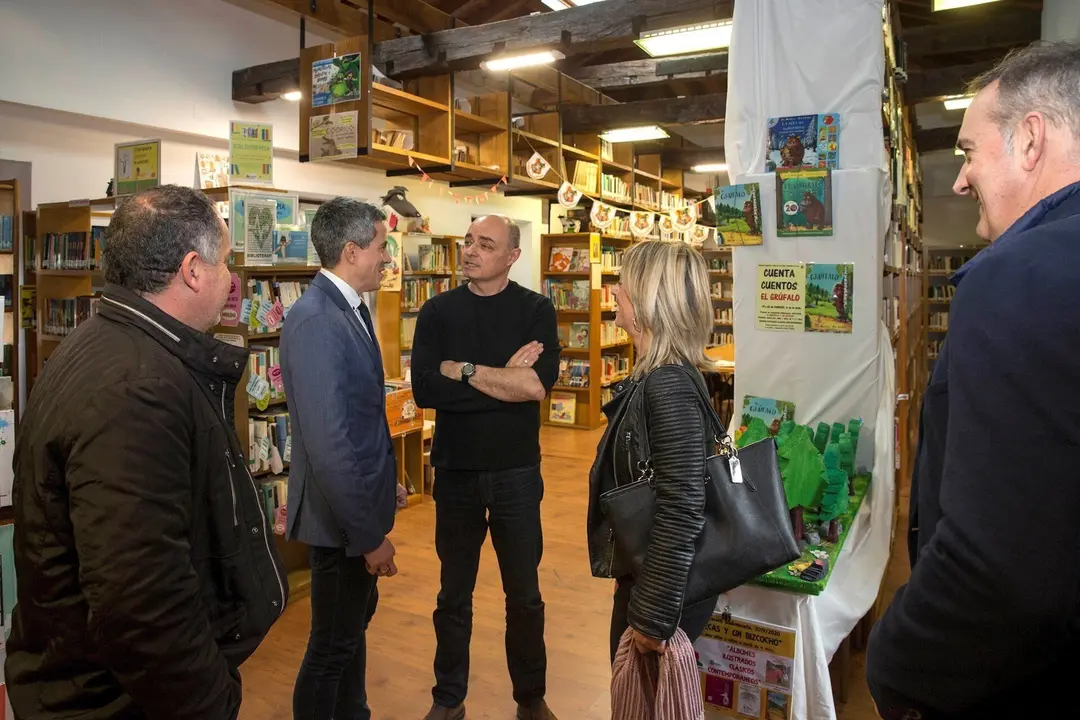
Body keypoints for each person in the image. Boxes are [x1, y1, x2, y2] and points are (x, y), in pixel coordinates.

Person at [5, 185, 287, 718]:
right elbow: (139, 600)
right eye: (225, 261)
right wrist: (210, 701)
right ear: (193, 270)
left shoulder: (104, 343)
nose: (231, 279)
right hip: (114, 699)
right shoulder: (138, 388)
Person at [866, 41, 1080, 719]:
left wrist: (895, 663)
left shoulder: (1015, 277)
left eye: (966, 150)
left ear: (1030, 140)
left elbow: (997, 569)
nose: (958, 181)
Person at [411, 215, 561, 720]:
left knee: (525, 595)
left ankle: (530, 699)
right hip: (454, 474)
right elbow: (427, 391)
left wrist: (467, 371)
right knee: (453, 595)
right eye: (468, 241)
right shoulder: (436, 312)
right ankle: (447, 700)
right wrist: (504, 383)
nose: (470, 251)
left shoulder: (536, 310)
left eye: (485, 244)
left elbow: (536, 388)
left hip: (517, 473)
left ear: (511, 255)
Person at [280, 197, 401, 720]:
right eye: (381, 247)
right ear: (352, 251)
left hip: (354, 510)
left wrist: (385, 483)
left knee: (350, 632)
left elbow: (361, 414)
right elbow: (329, 444)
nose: (387, 259)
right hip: (340, 523)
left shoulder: (347, 308)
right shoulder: (317, 320)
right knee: (330, 647)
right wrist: (369, 536)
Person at [586, 240, 717, 664]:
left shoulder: (668, 384)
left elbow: (681, 505)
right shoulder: (668, 375)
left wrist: (652, 613)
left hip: (658, 590)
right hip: (652, 577)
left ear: (645, 300)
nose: (615, 292)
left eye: (622, 284)